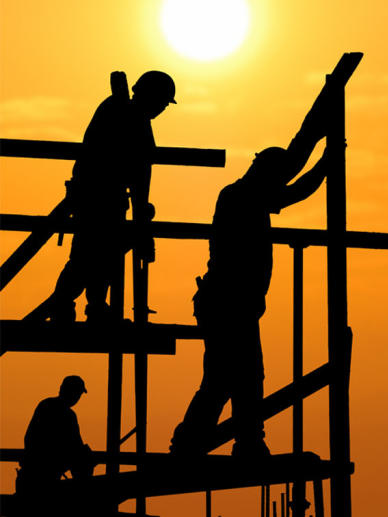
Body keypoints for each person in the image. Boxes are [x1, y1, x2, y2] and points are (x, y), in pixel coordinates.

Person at [169, 96, 339, 458]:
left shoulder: (249, 196)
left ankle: (233, 441)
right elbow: (295, 190)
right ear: (265, 176)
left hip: (234, 305)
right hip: (226, 304)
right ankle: (208, 443)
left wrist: (321, 154)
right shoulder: (240, 197)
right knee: (230, 378)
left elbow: (292, 182)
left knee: (235, 377)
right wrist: (325, 162)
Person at [28, 71, 176, 323]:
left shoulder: (130, 114)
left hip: (106, 196)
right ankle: (67, 304)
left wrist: (141, 217)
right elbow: (137, 170)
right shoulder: (123, 113)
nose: (162, 109)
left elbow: (141, 171)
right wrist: (141, 221)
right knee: (88, 257)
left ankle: (90, 307)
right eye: (162, 102)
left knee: (105, 256)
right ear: (150, 96)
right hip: (96, 197)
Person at [16, 376, 95, 497]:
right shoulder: (68, 415)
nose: (78, 397)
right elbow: (76, 445)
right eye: (77, 393)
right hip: (46, 476)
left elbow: (29, 438)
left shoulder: (45, 405)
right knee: (85, 456)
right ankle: (84, 493)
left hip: (30, 473)